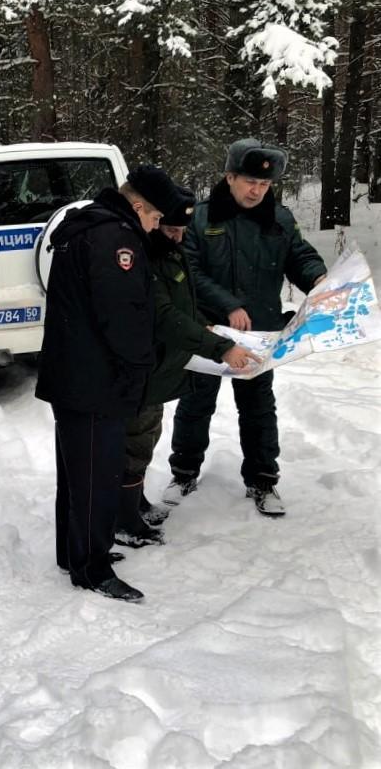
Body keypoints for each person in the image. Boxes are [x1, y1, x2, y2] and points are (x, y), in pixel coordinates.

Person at [36, 164, 190, 602]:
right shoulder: (115, 239)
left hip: (75, 373)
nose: (157, 226)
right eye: (157, 218)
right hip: (94, 379)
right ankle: (92, 569)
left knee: (77, 475)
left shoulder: (90, 226)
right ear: (139, 205)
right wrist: (142, 364)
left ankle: (74, 553)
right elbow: (122, 316)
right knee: (96, 478)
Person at [166, 139, 326, 516]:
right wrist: (228, 304)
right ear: (230, 177)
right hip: (209, 330)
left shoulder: (279, 219)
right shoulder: (200, 218)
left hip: (260, 332)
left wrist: (318, 279)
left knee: (257, 407)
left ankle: (263, 480)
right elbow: (188, 270)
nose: (257, 190)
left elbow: (299, 256)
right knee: (195, 403)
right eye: (250, 181)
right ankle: (183, 472)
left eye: (265, 184)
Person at [115, 188, 260, 548]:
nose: (179, 236)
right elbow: (162, 315)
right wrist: (220, 347)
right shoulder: (141, 255)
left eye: (183, 230)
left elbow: (182, 304)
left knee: (147, 434)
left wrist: (203, 325)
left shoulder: (168, 249)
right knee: (133, 441)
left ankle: (133, 503)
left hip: (161, 365)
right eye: (171, 229)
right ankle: (122, 517)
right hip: (142, 363)